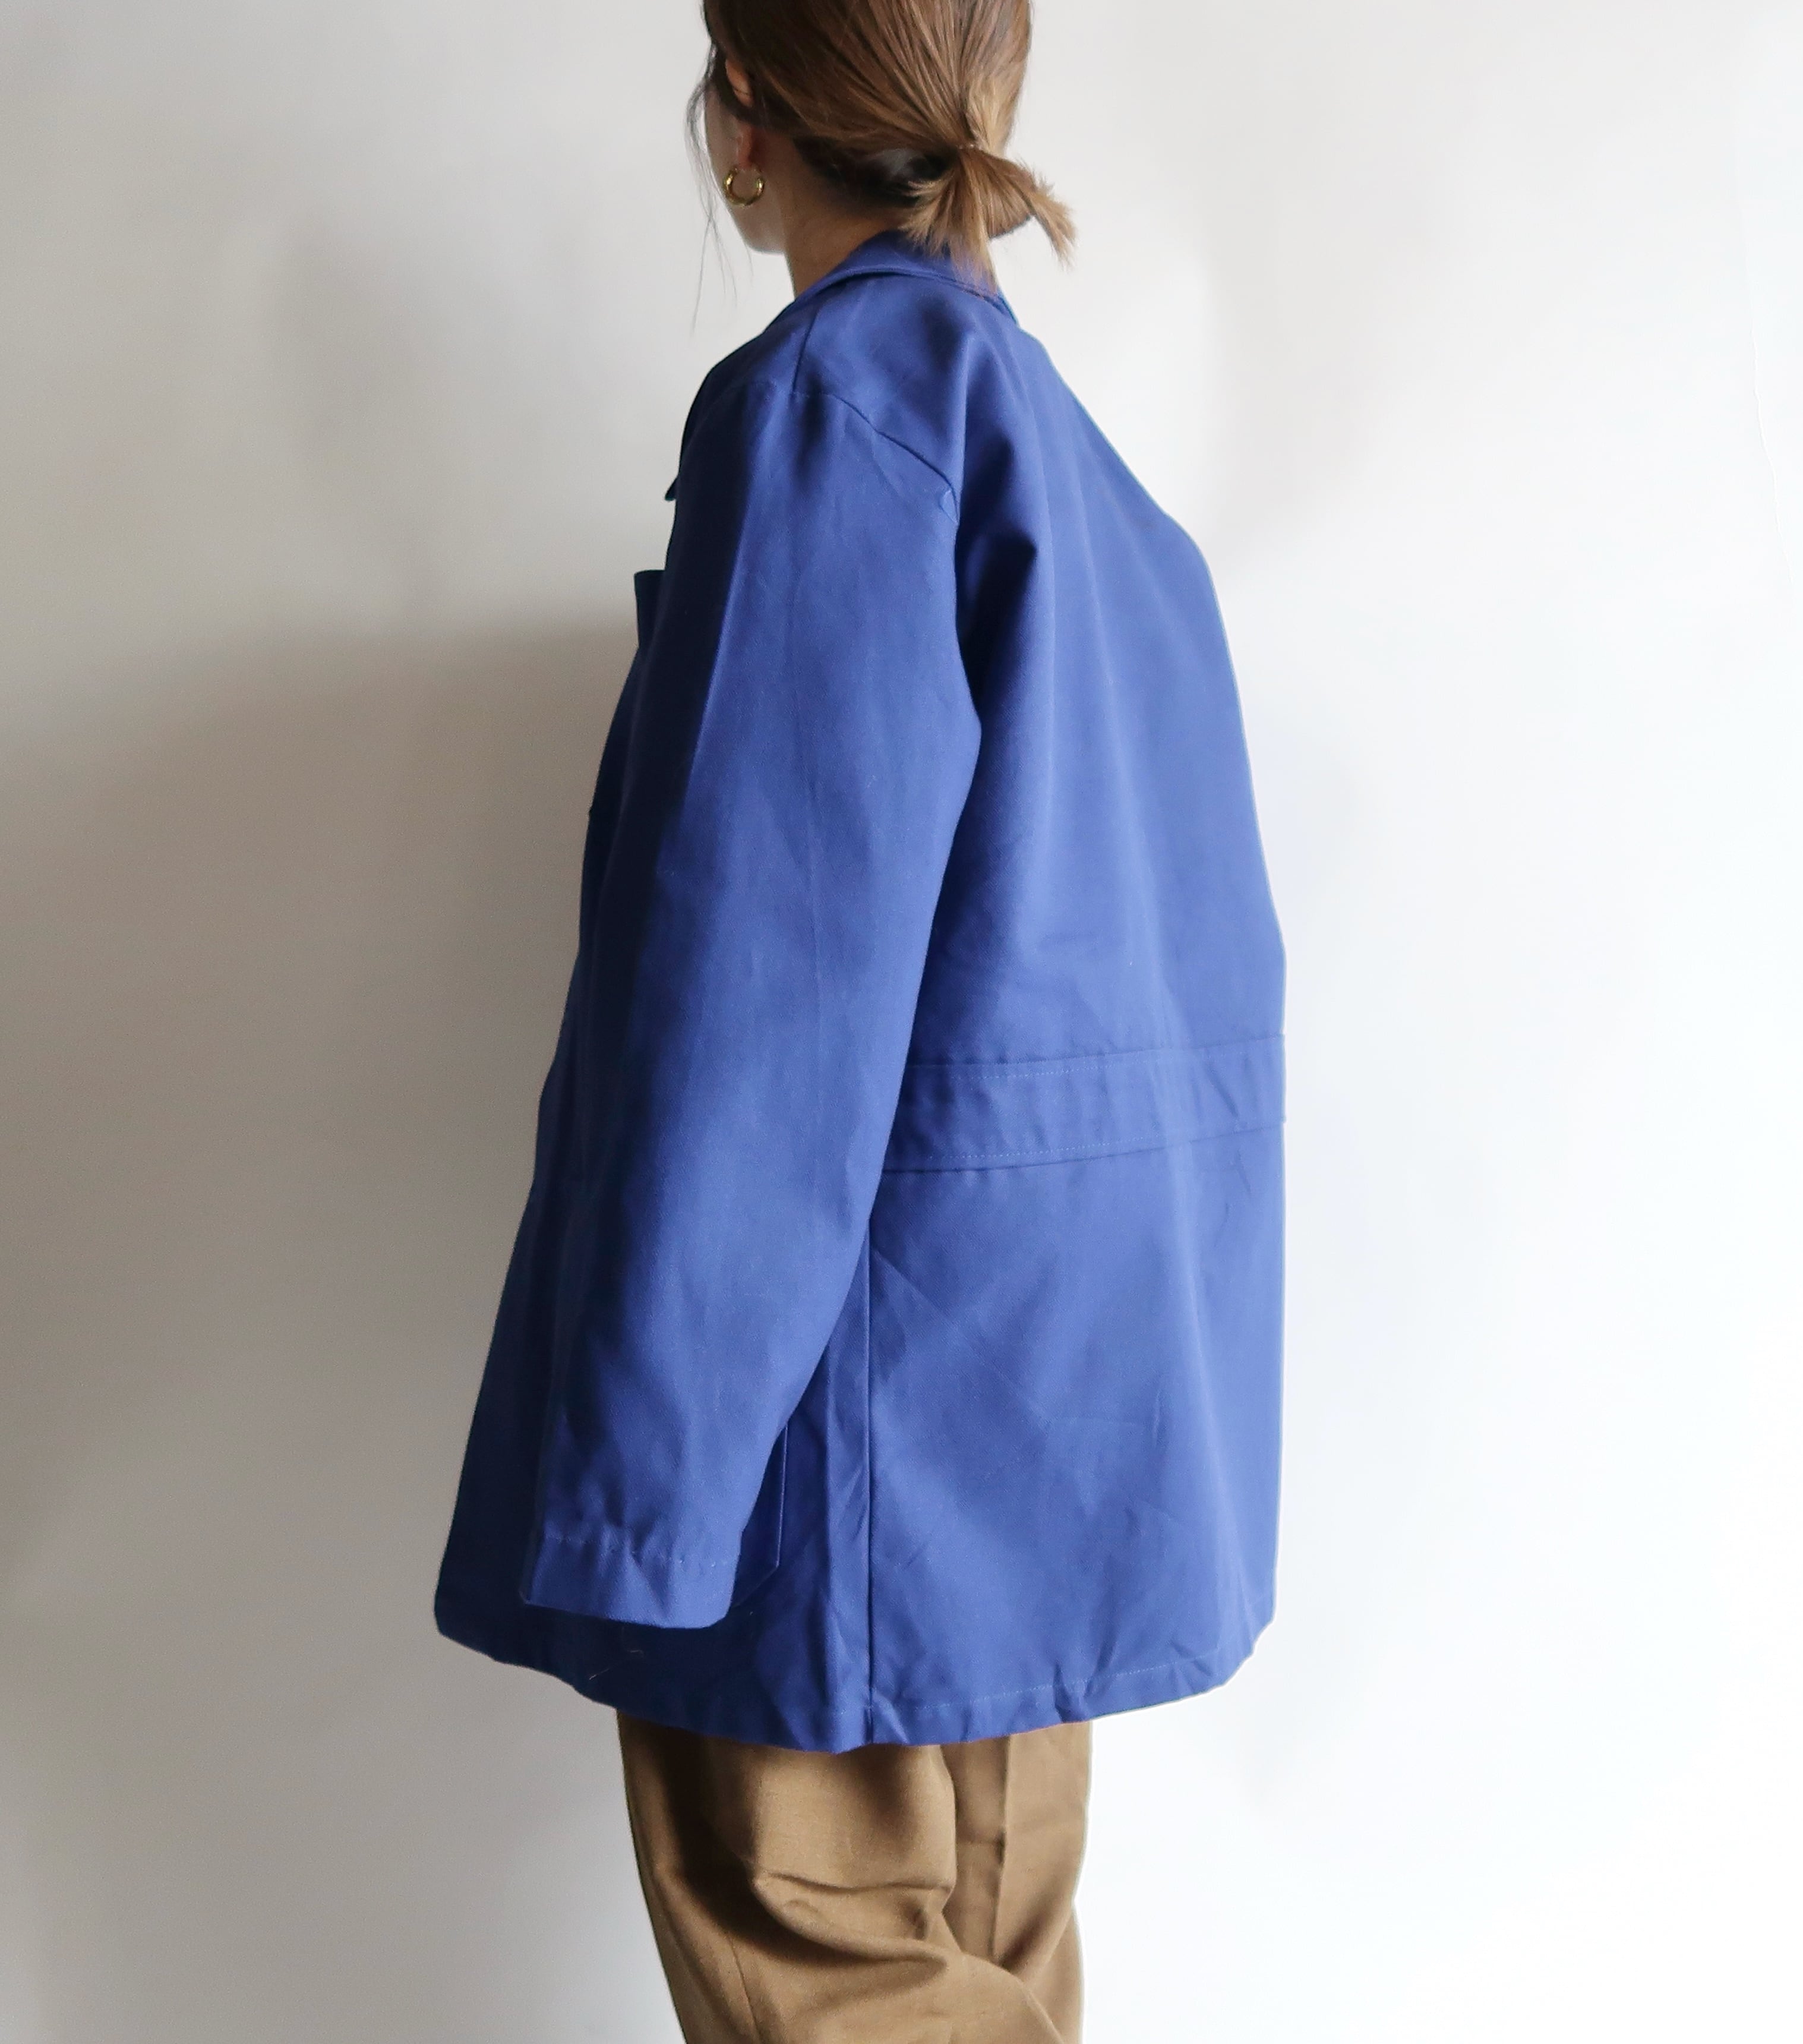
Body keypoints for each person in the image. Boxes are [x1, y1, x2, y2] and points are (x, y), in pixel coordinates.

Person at [432, 1, 1284, 2036]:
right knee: (986, 1985)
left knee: (829, 1979)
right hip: (1036, 1468)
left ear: (745, 118)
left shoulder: (837, 415)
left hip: (835, 1471)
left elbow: (759, 1005)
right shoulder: (1085, 474)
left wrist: (647, 1501)